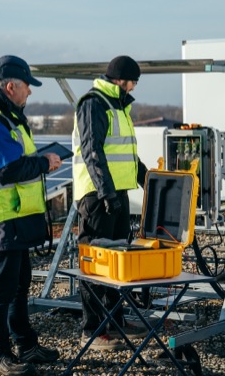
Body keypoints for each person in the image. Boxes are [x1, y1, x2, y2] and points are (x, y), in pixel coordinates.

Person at [0, 55, 61, 376]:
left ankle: (25, 344)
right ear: (10, 87)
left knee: (19, 285)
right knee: (2, 289)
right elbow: (6, 170)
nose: (30, 93)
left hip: (13, 217)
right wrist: (45, 163)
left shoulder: (7, 118)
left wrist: (41, 161)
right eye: (27, 88)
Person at [72, 55, 149, 350]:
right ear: (121, 80)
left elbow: (125, 155)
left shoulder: (119, 106)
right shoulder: (94, 103)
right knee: (95, 261)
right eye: (133, 82)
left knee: (119, 261)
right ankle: (92, 331)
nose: (134, 88)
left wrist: (149, 180)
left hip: (116, 194)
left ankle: (115, 322)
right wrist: (106, 194)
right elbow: (93, 151)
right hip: (97, 197)